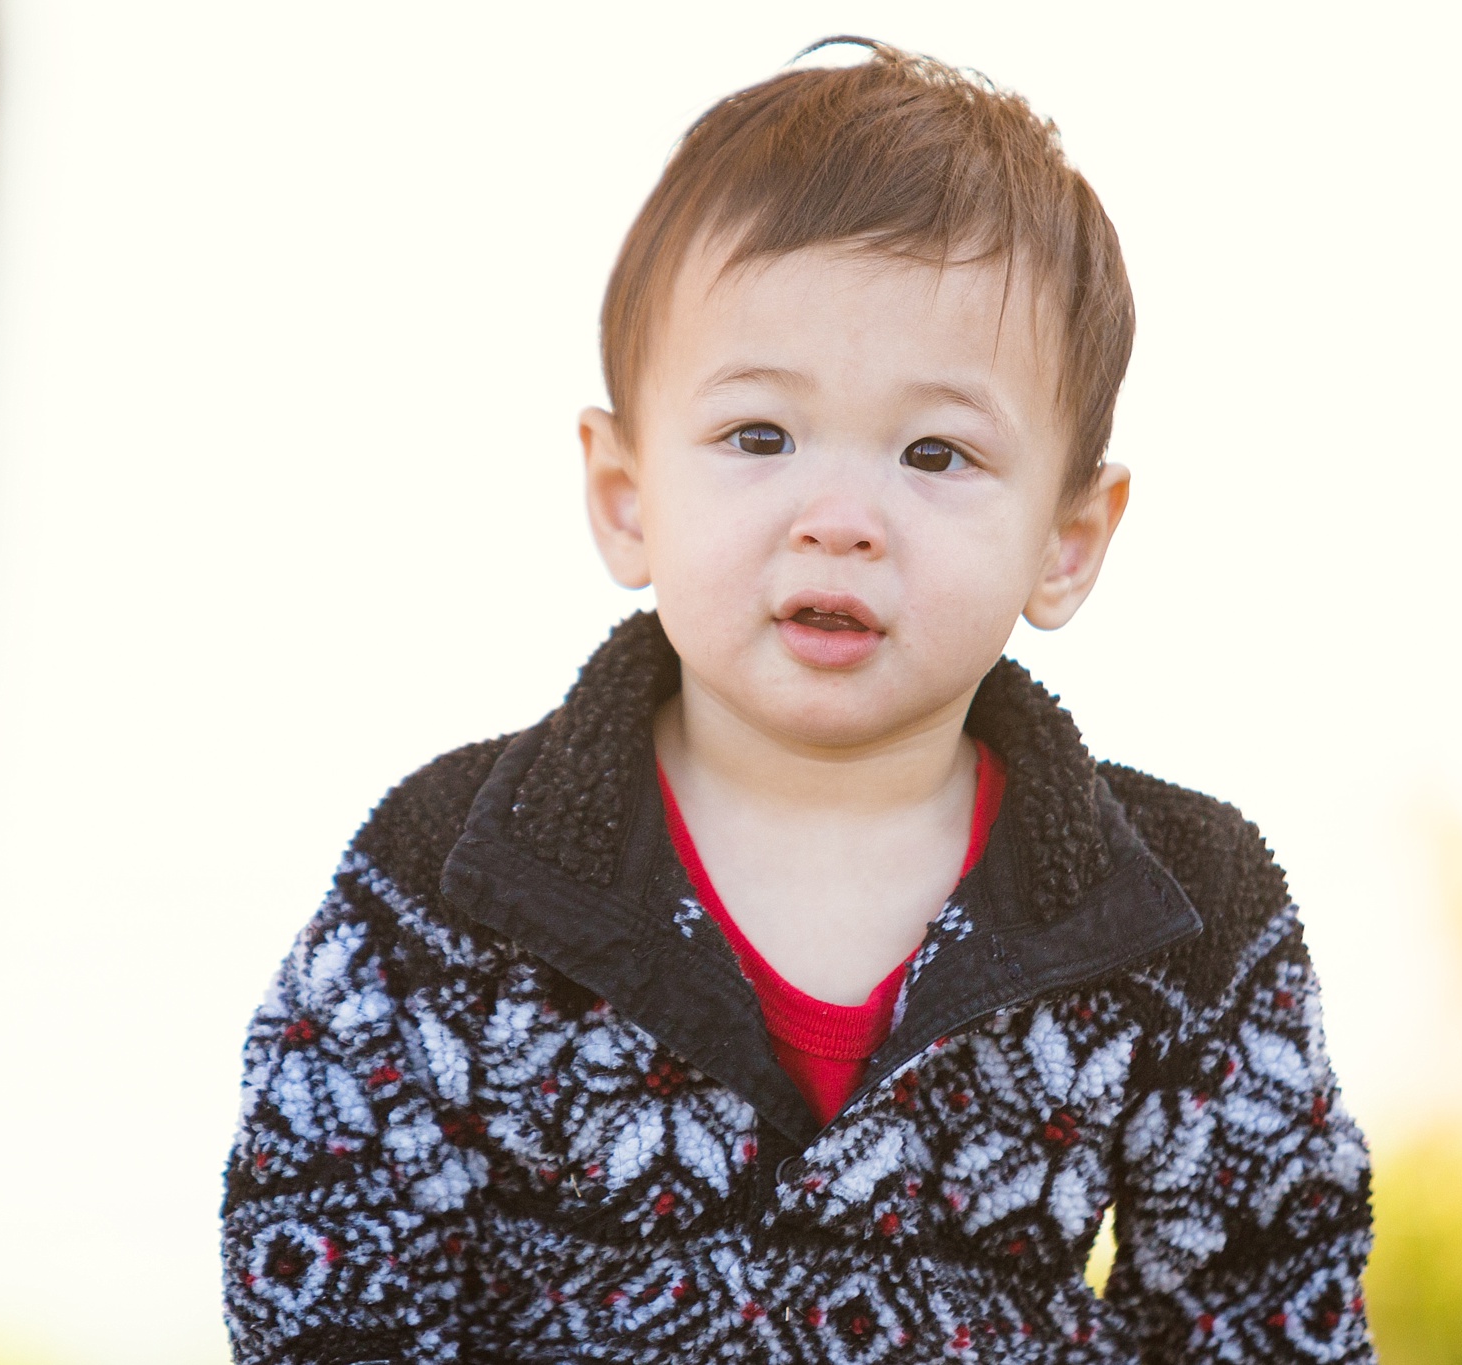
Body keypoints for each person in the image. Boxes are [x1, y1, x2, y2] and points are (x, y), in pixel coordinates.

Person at [222, 37, 1373, 1365]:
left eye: (935, 453)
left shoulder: (1184, 915)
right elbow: (325, 1284)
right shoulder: (454, 877)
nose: (841, 520)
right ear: (626, 494)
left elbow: (1270, 1317)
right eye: (759, 436)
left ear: (1068, 538)